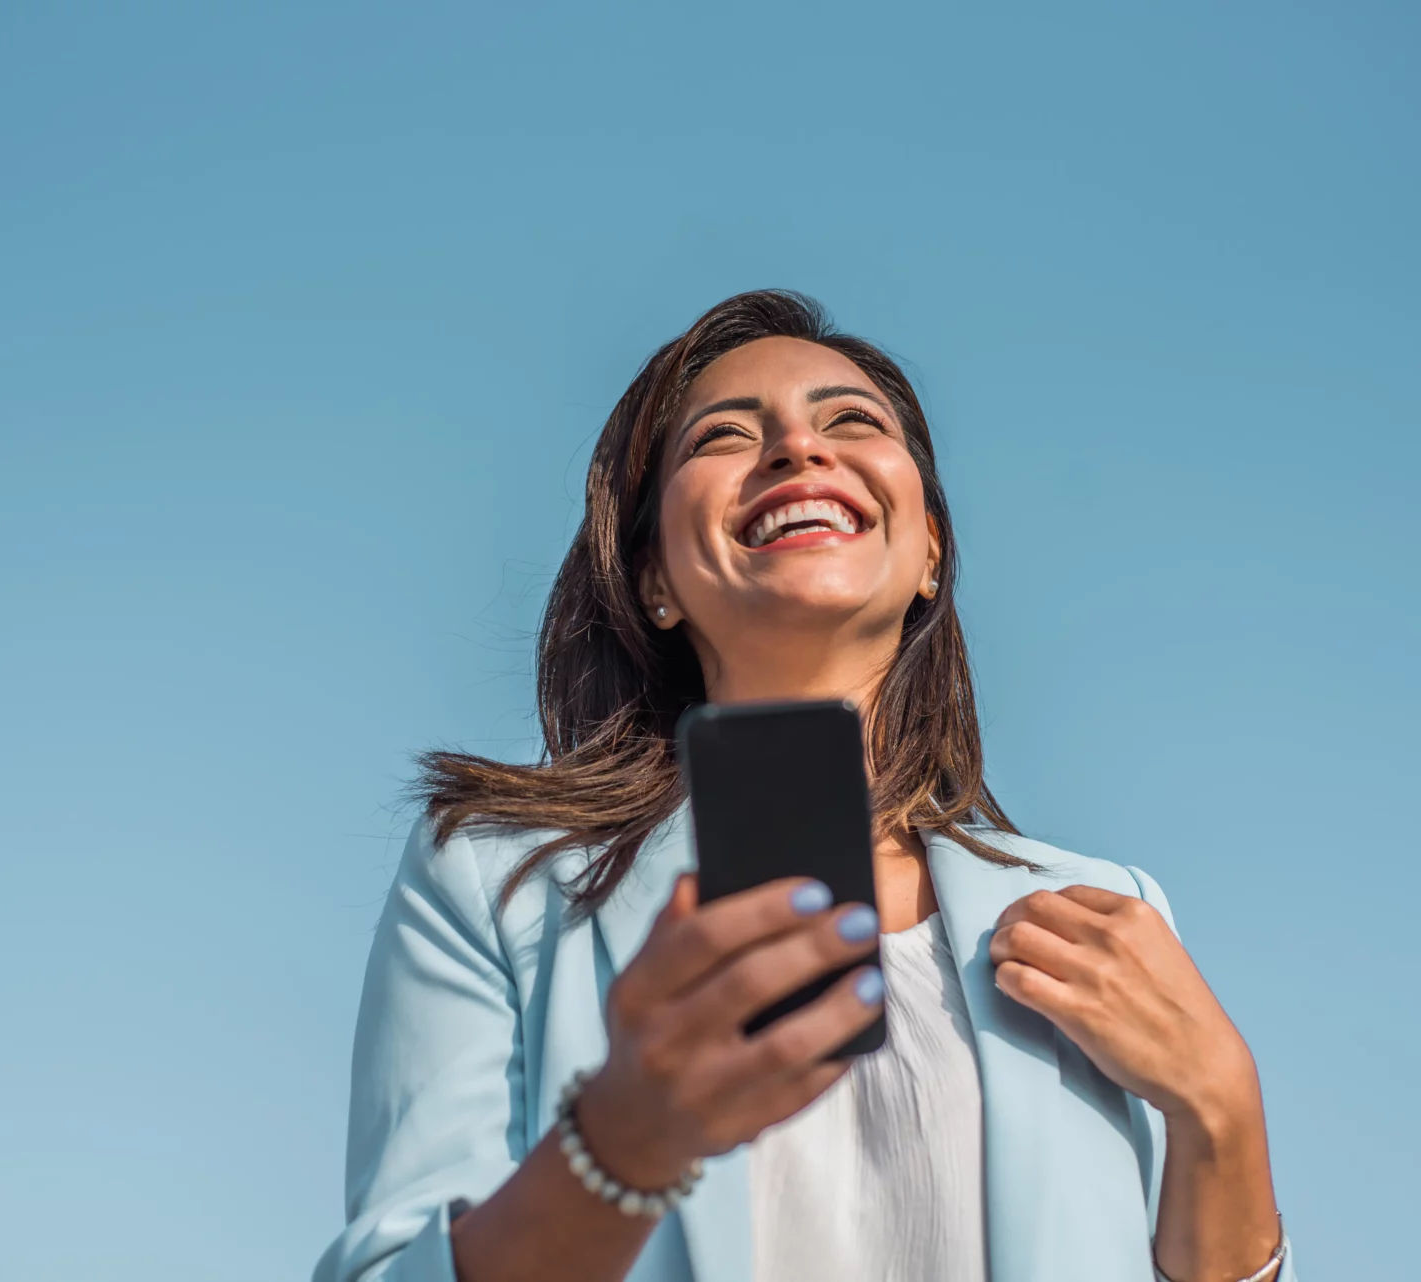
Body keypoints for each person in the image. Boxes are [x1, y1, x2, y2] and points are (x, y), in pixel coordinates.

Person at [313, 290, 1292, 1282]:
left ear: (929, 552)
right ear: (652, 576)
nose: (798, 450)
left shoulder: (1109, 909)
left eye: (852, 422)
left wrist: (1221, 1113)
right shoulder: (493, 881)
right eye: (725, 436)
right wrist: (619, 1143)